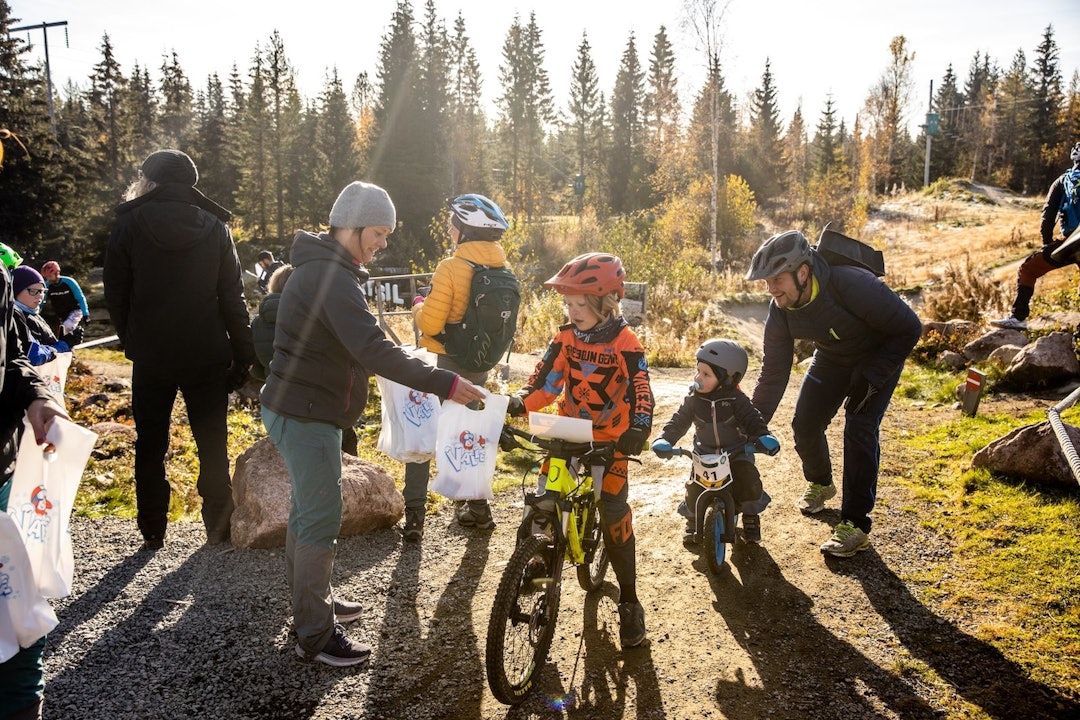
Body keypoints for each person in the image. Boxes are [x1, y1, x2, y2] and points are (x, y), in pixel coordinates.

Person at [260, 180, 485, 669]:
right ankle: (315, 634)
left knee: (306, 509)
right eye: (379, 233)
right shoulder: (331, 278)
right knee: (319, 517)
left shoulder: (325, 269)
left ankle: (310, 605)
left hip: (294, 406)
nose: (384, 243)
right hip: (306, 414)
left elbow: (361, 343)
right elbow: (371, 350)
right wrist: (443, 382)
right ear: (352, 226)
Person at [103, 149, 255, 550]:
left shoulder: (128, 225)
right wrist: (244, 354)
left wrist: (132, 340)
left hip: (152, 355)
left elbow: (117, 295)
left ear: (148, 182)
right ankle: (218, 527)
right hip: (206, 353)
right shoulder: (215, 228)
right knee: (212, 441)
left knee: (150, 442)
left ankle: (152, 528)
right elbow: (232, 299)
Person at [507, 252, 654, 648]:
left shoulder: (627, 343)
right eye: (568, 304)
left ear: (606, 302)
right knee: (542, 502)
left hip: (612, 439)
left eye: (580, 304)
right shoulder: (564, 338)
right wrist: (518, 402)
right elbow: (544, 384)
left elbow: (642, 391)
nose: (572, 311)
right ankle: (539, 571)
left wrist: (639, 427)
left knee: (612, 512)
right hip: (567, 429)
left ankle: (629, 601)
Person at [746, 230, 921, 558]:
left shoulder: (851, 284)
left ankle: (855, 525)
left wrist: (872, 377)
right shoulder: (781, 309)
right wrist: (751, 424)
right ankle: (821, 482)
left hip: (876, 358)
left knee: (859, 427)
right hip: (832, 358)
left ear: (802, 273)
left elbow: (910, 327)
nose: (771, 290)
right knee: (804, 424)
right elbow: (773, 374)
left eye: (777, 279)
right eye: (766, 282)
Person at [404, 193, 511, 541]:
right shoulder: (503, 271)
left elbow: (431, 325)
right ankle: (478, 510)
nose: (449, 230)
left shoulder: (451, 268)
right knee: (467, 435)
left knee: (422, 436)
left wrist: (419, 304)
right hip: (477, 367)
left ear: (464, 231)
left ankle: (415, 518)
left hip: (441, 363)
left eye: (453, 224)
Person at [0, 245, 70, 720]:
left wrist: (36, 396)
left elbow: (9, 360)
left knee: (19, 608)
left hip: (4, 470)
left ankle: (24, 708)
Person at [649, 338, 779, 544]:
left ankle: (751, 516)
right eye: (698, 371)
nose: (698, 377)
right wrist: (666, 438)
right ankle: (693, 520)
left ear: (728, 378)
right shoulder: (693, 399)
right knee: (695, 485)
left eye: (706, 374)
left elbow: (753, 419)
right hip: (705, 453)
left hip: (736, 452)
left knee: (748, 479)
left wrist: (763, 437)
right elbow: (679, 420)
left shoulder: (738, 400)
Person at [992, 142, 1080, 330]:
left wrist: (1047, 244)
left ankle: (1018, 318)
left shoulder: (1063, 181)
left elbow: (1047, 217)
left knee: (1028, 270)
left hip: (1071, 242)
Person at [10, 266, 82, 367]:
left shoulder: (32, 313)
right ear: (15, 290)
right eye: (33, 291)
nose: (40, 296)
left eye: (42, 291)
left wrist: (62, 342)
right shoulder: (16, 316)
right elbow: (33, 357)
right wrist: (63, 345)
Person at [39, 261, 90, 336]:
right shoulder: (47, 285)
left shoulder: (69, 282)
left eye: (50, 276)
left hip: (75, 310)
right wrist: (36, 312)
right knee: (61, 335)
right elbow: (41, 301)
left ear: (57, 273)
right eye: (46, 277)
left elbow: (80, 298)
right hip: (60, 314)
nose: (48, 279)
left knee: (67, 327)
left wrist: (86, 314)